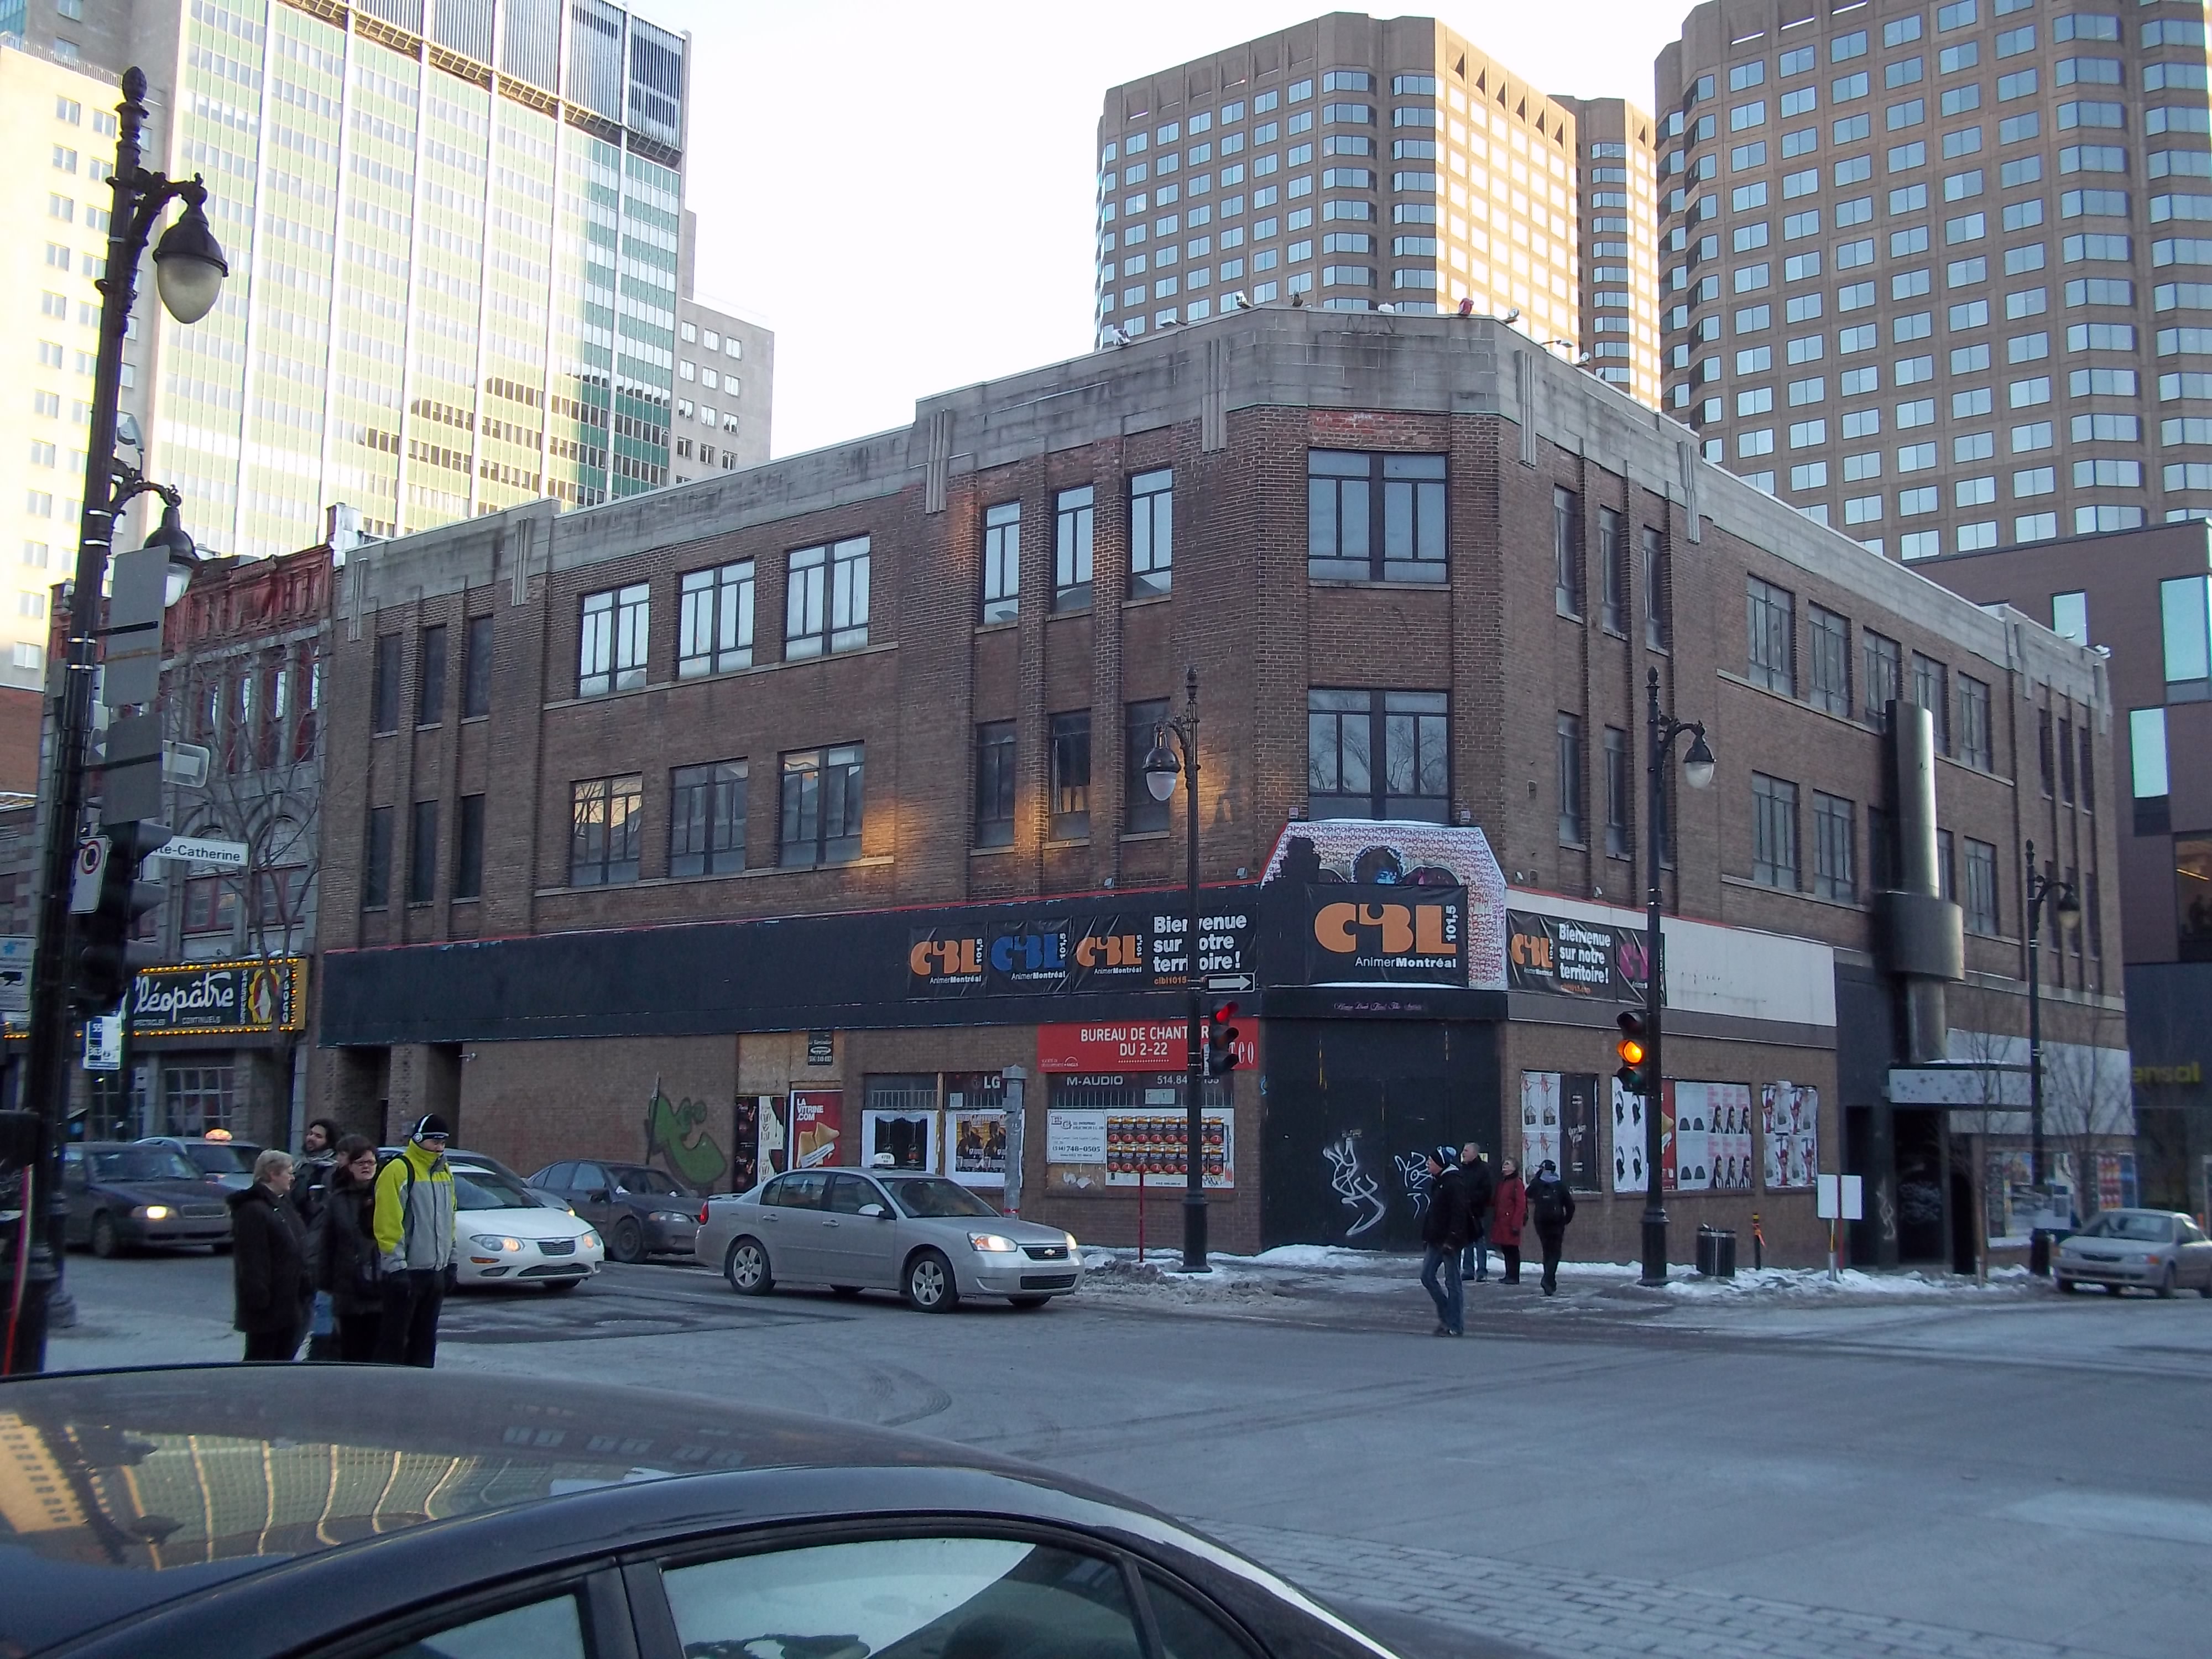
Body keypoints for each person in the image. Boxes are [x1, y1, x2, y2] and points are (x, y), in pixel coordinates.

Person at [373, 1113, 457, 1366]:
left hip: (435, 1271)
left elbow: (449, 1220)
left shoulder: (444, 1172)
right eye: (433, 1141)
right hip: (408, 1272)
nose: (439, 1147)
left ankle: (421, 1385)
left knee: (425, 1338)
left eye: (442, 1142)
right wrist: (396, 1266)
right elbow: (388, 1221)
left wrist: (451, 1262)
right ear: (418, 1139)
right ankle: (388, 1386)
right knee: (395, 1339)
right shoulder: (400, 1169)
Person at [229, 1149, 311, 1362]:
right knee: (263, 1358)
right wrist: (259, 1298)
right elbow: (253, 1259)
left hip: (289, 1298)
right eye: (289, 1172)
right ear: (273, 1174)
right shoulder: (253, 1210)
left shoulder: (281, 1205)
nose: (293, 1178)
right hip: (269, 1304)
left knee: (284, 1354)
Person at [316, 1135, 384, 1362]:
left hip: (380, 1286)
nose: (366, 1167)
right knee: (351, 1351)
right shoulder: (339, 1199)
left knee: (377, 1350)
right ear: (350, 1166)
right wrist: (325, 1282)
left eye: (371, 1163)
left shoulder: (386, 1196)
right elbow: (328, 1243)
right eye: (360, 1163)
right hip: (348, 1287)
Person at [292, 1117, 343, 1360]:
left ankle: (320, 1352)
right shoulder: (301, 1167)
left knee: (321, 1304)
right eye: (310, 1134)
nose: (311, 1139)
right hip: (298, 1243)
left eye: (318, 1136)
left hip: (319, 1246)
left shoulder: (332, 1172)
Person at [1417, 1147, 1470, 1337]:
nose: (1427, 1164)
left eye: (1430, 1161)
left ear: (1440, 1163)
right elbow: (1432, 1213)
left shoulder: (1454, 1183)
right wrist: (1426, 1235)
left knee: (1453, 1282)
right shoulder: (1438, 1182)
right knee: (1427, 1276)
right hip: (1435, 1239)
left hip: (1449, 1240)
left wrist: (1453, 1239)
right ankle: (1447, 1314)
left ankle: (1455, 1324)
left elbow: (1459, 1214)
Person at [1527, 1157, 1578, 1297]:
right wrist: (1566, 1220)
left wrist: (1537, 1177)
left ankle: (1549, 1280)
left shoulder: (1538, 1184)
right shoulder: (1560, 1184)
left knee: (1547, 1250)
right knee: (1555, 1252)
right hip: (1556, 1221)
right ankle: (1548, 1278)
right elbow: (1570, 1205)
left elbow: (1528, 1194)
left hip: (1541, 1221)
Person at [1459, 1143, 1495, 1283]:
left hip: (1477, 1210)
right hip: (1464, 1210)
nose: (1463, 1153)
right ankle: (1468, 1270)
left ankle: (1482, 1271)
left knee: (1479, 1241)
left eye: (1466, 1151)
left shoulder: (1484, 1169)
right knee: (1467, 1241)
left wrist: (1472, 1199)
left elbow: (1486, 1191)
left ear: (1475, 1153)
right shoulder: (1462, 1169)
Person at [1489, 1157, 1526, 1285]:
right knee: (1506, 1248)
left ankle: (1514, 1275)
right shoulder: (1502, 1184)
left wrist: (1516, 1224)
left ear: (1514, 1168)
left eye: (1508, 1164)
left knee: (1512, 1250)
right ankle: (1508, 1274)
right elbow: (1496, 1201)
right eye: (1504, 1164)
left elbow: (1521, 1205)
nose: (1504, 1166)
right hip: (1502, 1222)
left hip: (1511, 1222)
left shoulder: (1517, 1183)